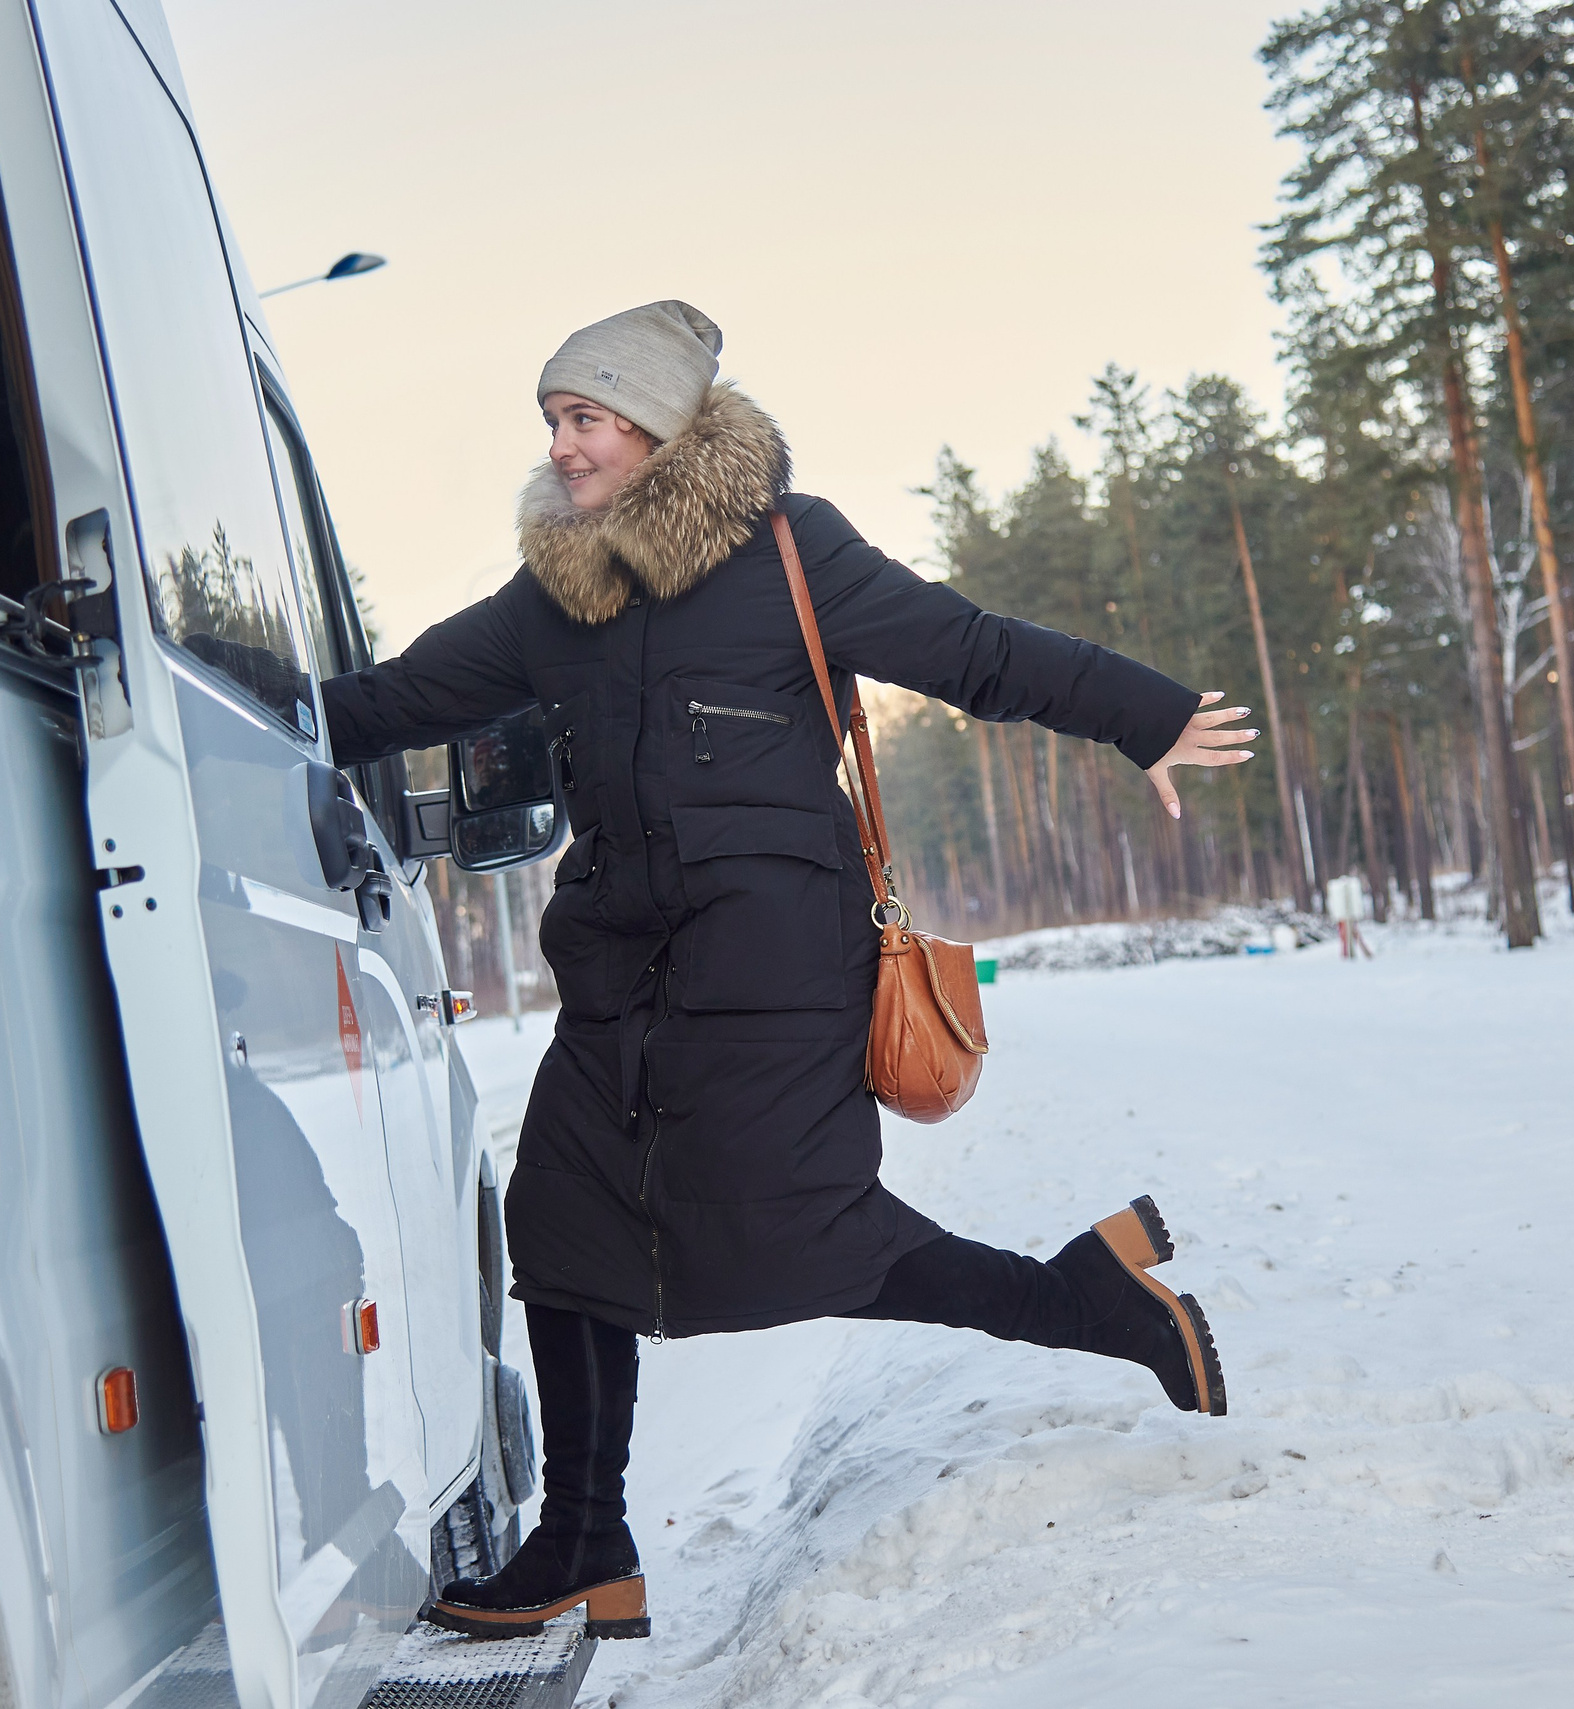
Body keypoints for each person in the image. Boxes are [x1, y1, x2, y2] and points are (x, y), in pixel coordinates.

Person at [321, 301, 1257, 1642]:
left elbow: (977, 651)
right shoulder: (557, 597)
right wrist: (225, 703)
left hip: (774, 978)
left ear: (654, 427)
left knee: (818, 1244)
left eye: (584, 418)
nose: (562, 444)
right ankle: (585, 1542)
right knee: (565, 1221)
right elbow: (401, 696)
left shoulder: (789, 554)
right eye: (553, 421)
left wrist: (1144, 714)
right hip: (621, 982)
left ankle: (1091, 1302)